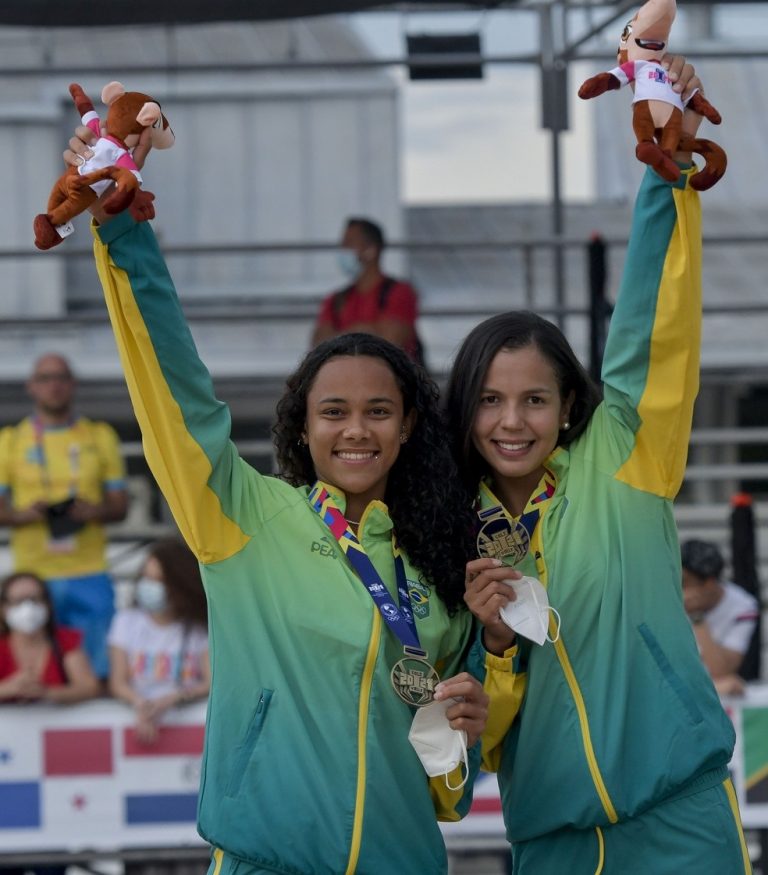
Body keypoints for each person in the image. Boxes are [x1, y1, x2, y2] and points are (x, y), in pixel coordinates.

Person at [65, 127, 489, 874]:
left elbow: (449, 793)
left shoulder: (438, 564)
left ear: (408, 424)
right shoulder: (244, 516)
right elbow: (177, 394)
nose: (355, 430)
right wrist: (123, 233)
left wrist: (468, 730)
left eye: (378, 411)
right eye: (333, 412)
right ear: (302, 423)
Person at [445, 62, 752, 874]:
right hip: (555, 839)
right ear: (463, 408)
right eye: (490, 400)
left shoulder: (624, 455)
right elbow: (478, 731)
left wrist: (664, 169)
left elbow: (654, 321)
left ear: (568, 403)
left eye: (534, 399)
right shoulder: (446, 529)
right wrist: (497, 643)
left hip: (682, 815)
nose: (512, 422)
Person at [0, 354, 129, 680]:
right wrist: (21, 515)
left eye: (60, 377)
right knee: (41, 668)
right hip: (34, 574)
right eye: (44, 378)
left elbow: (120, 506)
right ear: (31, 386)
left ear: (72, 384)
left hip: (88, 569)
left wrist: (93, 510)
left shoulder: (100, 436)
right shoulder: (10, 441)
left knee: (99, 668)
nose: (53, 385)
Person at [109, 537, 210, 746]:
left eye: (159, 581)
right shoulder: (125, 622)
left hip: (191, 733)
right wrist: (142, 705)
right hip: (138, 723)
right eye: (146, 578)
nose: (150, 586)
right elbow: (117, 682)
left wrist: (172, 699)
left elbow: (211, 683)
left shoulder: (200, 629)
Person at [311, 216, 424, 364]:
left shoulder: (400, 293)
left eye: (349, 243)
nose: (343, 250)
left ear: (371, 250)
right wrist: (368, 331)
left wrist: (341, 338)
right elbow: (318, 346)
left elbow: (392, 342)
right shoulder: (335, 299)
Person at [0, 570, 100, 704]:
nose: (28, 608)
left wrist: (47, 693)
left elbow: (89, 688)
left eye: (35, 599)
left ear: (47, 604)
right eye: (18, 601)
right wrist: (8, 689)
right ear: (4, 608)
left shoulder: (64, 641)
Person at [681, 538, 759, 696]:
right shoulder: (666, 599)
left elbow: (721, 671)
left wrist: (697, 617)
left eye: (684, 582)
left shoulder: (743, 606)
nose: (679, 588)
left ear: (709, 583)